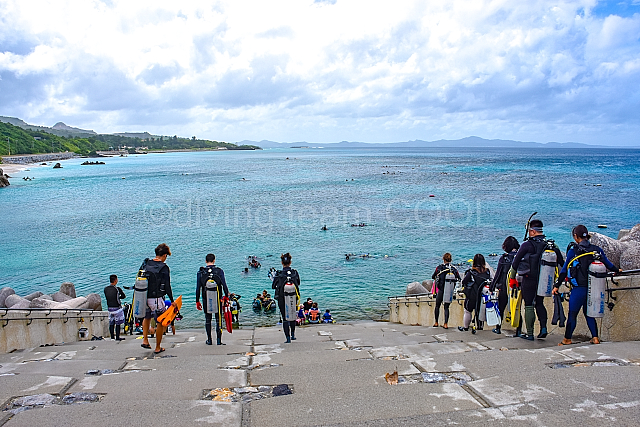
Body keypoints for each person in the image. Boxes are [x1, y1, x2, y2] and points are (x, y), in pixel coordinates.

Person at [554, 225, 621, 345]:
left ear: (575, 236)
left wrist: (556, 285)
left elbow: (564, 270)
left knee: (572, 315)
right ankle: (595, 337)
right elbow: (608, 264)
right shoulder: (596, 250)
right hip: (594, 288)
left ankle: (567, 339)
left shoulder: (573, 251)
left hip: (578, 289)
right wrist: (617, 270)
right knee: (589, 313)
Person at [509, 219, 564, 341]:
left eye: (529, 231)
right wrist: (559, 281)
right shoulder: (551, 245)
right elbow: (562, 264)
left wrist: (512, 278)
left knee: (529, 305)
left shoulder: (526, 245)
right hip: (544, 280)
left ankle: (530, 334)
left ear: (533, 231)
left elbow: (515, 263)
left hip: (529, 279)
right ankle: (543, 328)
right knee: (539, 303)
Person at [141, 243, 174, 354]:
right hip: (156, 299)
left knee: (147, 318)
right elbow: (167, 286)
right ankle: (158, 347)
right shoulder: (164, 268)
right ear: (164, 255)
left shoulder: (146, 263)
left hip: (144, 297)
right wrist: (172, 300)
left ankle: (145, 340)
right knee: (160, 321)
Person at [195, 254, 229, 345]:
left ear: (206, 261)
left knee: (208, 319)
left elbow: (198, 288)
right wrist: (226, 296)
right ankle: (218, 340)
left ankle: (209, 340)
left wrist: (197, 301)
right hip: (218, 298)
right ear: (214, 260)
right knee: (218, 319)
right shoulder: (219, 271)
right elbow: (224, 285)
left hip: (206, 298)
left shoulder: (201, 272)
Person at [490, 236, 520, 335]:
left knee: (501, 308)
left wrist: (492, 287)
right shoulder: (520, 257)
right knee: (517, 308)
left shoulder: (504, 258)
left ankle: (498, 328)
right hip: (517, 287)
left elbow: (498, 274)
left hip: (504, 287)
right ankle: (518, 331)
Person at [272, 252, 301, 343]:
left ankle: (287, 338)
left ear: (281, 263)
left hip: (282, 298)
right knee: (292, 315)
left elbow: (273, 286)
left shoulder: (279, 273)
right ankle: (293, 335)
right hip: (293, 297)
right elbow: (298, 283)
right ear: (290, 262)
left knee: (285, 318)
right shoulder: (295, 272)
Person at [459, 254, 490, 332]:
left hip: (472, 295)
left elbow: (464, 281)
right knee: (480, 312)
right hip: (483, 296)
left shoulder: (471, 272)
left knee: (468, 311)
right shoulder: (487, 272)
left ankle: (466, 327)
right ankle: (480, 327)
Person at [431, 252, 461, 329]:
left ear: (443, 259)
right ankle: (445, 324)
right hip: (449, 291)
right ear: (450, 260)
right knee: (446, 307)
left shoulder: (439, 268)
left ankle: (436, 322)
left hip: (441, 289)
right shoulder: (454, 269)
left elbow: (433, 276)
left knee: (437, 306)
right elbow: (458, 278)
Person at [104, 274, 126, 341]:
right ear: (116, 280)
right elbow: (123, 296)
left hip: (109, 308)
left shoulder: (106, 289)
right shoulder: (117, 289)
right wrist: (119, 297)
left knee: (111, 323)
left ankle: (112, 337)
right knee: (118, 323)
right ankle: (117, 337)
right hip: (117, 308)